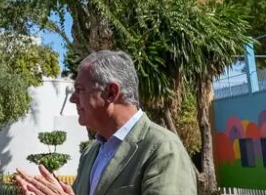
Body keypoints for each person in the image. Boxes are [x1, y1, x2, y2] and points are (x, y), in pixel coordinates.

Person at [15, 50, 197, 195]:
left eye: (80, 89)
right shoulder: (92, 152)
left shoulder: (162, 148)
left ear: (110, 92)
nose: (73, 99)